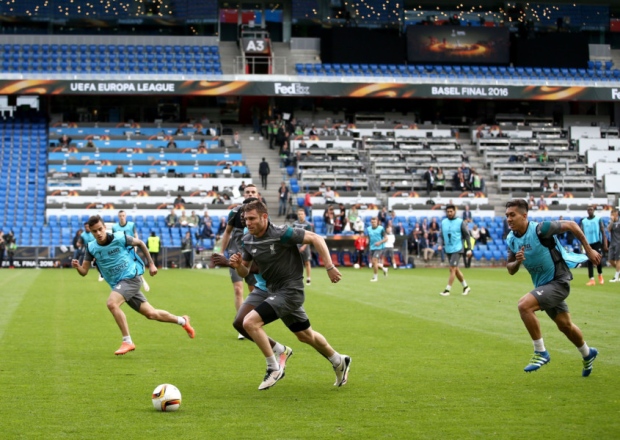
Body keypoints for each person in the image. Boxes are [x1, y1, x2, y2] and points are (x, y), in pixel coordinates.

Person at [228, 200, 350, 390]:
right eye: (245, 219)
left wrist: (330, 267)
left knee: (250, 322)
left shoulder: (281, 233)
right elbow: (246, 272)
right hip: (271, 290)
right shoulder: (248, 240)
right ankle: (339, 360)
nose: (248, 223)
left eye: (252, 219)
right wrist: (238, 266)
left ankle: (274, 367)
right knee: (305, 335)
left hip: (290, 291)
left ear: (264, 217)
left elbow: (317, 238)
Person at [72, 215, 195, 356]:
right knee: (151, 314)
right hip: (119, 284)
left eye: (100, 229)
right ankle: (182, 321)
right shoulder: (91, 248)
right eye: (95, 231)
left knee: (112, 303)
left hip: (131, 278)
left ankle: (127, 341)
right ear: (91, 232)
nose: (98, 233)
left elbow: (141, 243)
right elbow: (84, 272)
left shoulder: (119, 237)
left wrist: (152, 263)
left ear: (105, 227)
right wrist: (77, 267)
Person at [504, 199, 599, 376]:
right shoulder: (511, 239)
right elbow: (510, 269)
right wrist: (517, 261)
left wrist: (589, 250)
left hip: (558, 281)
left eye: (512, 215)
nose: (509, 219)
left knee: (524, 305)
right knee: (565, 326)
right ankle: (588, 353)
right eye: (507, 215)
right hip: (543, 285)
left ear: (524, 215)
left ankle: (540, 352)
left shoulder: (541, 229)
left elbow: (571, 225)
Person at [219, 185, 259, 339]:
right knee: (238, 289)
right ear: (244, 194)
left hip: (253, 258)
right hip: (235, 257)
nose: (250, 194)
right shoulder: (235, 212)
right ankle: (241, 325)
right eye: (248, 192)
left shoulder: (261, 214)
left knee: (253, 291)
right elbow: (227, 232)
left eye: (253, 192)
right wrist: (222, 252)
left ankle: (252, 322)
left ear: (257, 195)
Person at [437, 204, 472, 296]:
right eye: (448, 212)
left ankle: (447, 290)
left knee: (452, 269)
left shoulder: (460, 222)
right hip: (448, 249)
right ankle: (466, 287)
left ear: (454, 211)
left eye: (451, 211)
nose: (449, 213)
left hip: (457, 248)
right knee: (455, 270)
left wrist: (468, 249)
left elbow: (467, 235)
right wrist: (440, 244)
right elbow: (440, 235)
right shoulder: (443, 222)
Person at [113, 210, 150, 292]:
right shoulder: (115, 227)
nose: (122, 217)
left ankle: (142, 281)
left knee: (133, 265)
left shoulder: (131, 225)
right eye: (120, 216)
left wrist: (136, 245)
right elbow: (114, 238)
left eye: (123, 215)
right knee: (122, 266)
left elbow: (135, 234)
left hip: (130, 248)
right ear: (118, 217)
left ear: (125, 216)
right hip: (121, 250)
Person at [580, 205, 608, 286]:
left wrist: (605, 243)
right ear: (587, 211)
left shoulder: (598, 219)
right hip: (588, 243)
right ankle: (591, 279)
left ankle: (600, 275)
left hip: (597, 242)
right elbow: (581, 233)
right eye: (589, 210)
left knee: (597, 259)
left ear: (594, 210)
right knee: (589, 260)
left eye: (591, 210)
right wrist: (581, 245)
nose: (590, 211)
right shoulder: (584, 221)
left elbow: (603, 231)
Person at [293, 208, 314, 286]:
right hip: (296, 245)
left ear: (304, 215)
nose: (300, 216)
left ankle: (308, 278)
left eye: (301, 214)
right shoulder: (295, 224)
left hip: (305, 245)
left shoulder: (308, 225)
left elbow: (310, 237)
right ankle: (297, 278)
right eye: (299, 214)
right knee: (296, 263)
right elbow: (293, 234)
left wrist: (304, 246)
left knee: (307, 262)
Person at [366, 217, 388, 282]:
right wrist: (367, 241)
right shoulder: (368, 229)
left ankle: (375, 277)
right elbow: (369, 237)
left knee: (374, 260)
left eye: (374, 222)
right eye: (372, 222)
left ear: (377, 222)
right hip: (372, 247)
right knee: (374, 263)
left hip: (379, 247)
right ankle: (384, 269)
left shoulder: (381, 229)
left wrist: (379, 242)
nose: (373, 223)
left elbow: (386, 238)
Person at [608, 208, 620, 282]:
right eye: (611, 213)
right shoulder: (611, 222)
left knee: (618, 260)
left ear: (617, 214)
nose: (612, 215)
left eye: (613, 213)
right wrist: (612, 221)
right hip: (612, 243)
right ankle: (618, 272)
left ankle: (616, 277)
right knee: (610, 260)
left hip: (619, 243)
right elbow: (609, 229)